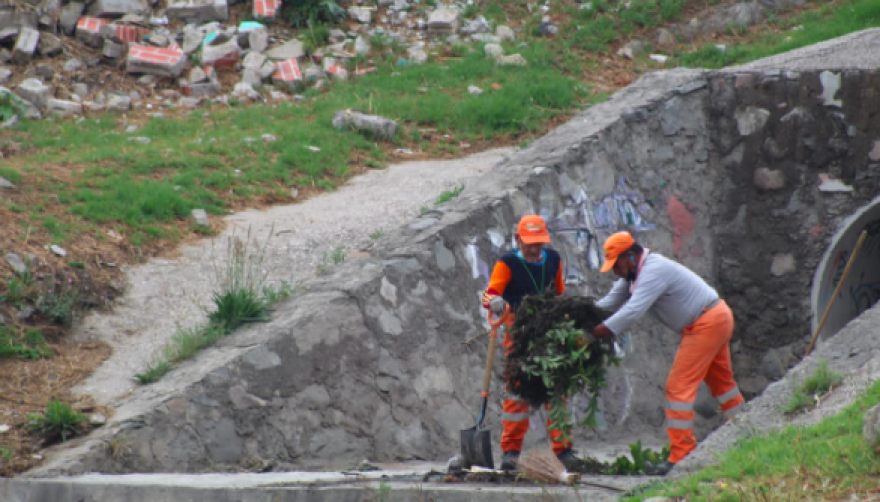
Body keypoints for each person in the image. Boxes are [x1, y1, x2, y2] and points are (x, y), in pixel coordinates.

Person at [584, 231, 745, 475]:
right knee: (722, 385)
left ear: (630, 256)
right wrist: (580, 316)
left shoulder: (653, 271)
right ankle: (747, 432)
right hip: (715, 316)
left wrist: (591, 335)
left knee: (677, 387)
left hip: (705, 324)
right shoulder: (632, 274)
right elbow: (608, 303)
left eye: (616, 265)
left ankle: (682, 456)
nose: (615, 271)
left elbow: (631, 312)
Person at [480, 214, 581, 471]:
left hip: (549, 331)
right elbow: (490, 293)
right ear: (517, 239)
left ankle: (564, 451)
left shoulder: (554, 260)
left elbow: (558, 292)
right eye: (529, 243)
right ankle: (510, 452)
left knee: (556, 390)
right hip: (518, 333)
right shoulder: (508, 263)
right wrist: (494, 302)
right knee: (517, 392)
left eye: (539, 243)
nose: (535, 248)